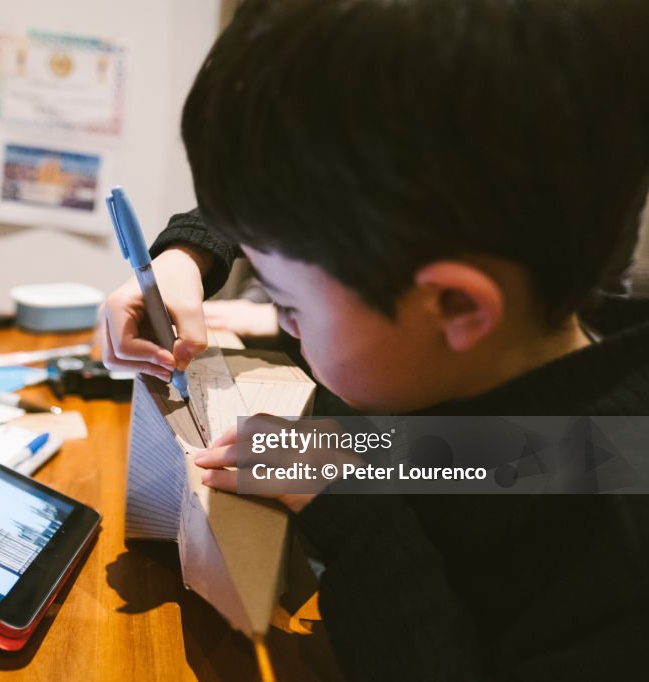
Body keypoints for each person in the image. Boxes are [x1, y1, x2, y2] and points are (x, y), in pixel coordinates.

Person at [99, 1, 649, 680]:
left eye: (287, 303)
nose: (279, 318)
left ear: (452, 305)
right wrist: (188, 258)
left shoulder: (608, 562)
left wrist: (349, 498)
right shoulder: (492, 347)